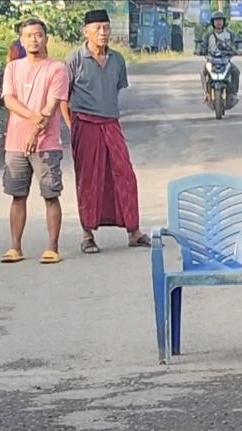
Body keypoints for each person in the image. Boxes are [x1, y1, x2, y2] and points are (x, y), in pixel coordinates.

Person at [62, 8, 147, 253]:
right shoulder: (75, 58)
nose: (102, 32)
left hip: (110, 123)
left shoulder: (118, 59)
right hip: (84, 123)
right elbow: (62, 99)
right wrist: (73, 126)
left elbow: (116, 89)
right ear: (86, 31)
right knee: (89, 178)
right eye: (97, 28)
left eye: (106, 28)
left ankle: (134, 230)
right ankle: (87, 234)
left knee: (125, 174)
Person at [0, 18, 69, 265]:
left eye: (38, 35)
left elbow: (51, 106)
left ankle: (52, 247)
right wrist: (32, 117)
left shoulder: (57, 69)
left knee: (50, 194)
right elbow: (9, 100)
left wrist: (34, 131)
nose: (33, 39)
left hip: (46, 143)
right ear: (21, 39)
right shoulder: (12, 68)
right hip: (15, 142)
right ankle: (15, 247)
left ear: (46, 38)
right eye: (28, 35)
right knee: (17, 195)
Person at [201, 11, 240, 101]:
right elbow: (202, 46)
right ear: (213, 22)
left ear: (224, 22)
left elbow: (238, 43)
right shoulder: (208, 35)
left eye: (220, 20)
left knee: (236, 71)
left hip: (225, 60)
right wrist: (199, 50)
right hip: (211, 60)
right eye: (216, 20)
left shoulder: (230, 34)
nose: (218, 22)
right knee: (202, 71)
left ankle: (233, 93)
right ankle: (205, 93)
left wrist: (239, 50)